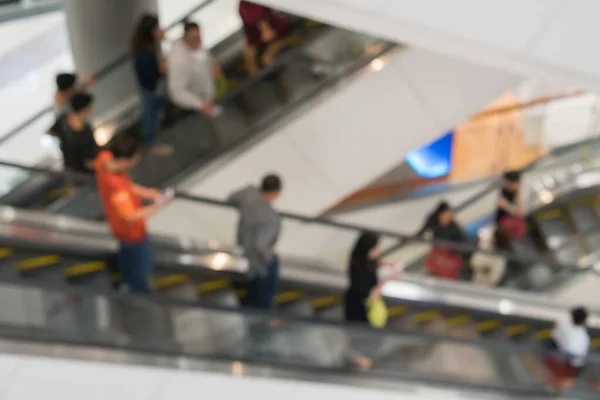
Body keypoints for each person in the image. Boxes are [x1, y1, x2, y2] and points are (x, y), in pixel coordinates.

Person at [95, 134, 171, 292]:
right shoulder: (116, 188)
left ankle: (125, 282)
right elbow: (129, 215)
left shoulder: (104, 158)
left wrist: (148, 193)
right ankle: (137, 294)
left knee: (125, 256)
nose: (137, 160)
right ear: (124, 160)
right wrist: (157, 206)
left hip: (117, 226)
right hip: (133, 233)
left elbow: (127, 185)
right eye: (135, 158)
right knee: (141, 269)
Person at [344, 232, 400, 369]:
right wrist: (388, 279)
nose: (378, 252)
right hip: (360, 307)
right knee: (362, 336)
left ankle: (360, 359)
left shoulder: (360, 260)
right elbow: (372, 295)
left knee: (359, 336)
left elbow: (375, 262)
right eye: (375, 248)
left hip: (354, 302)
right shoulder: (360, 270)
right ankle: (360, 361)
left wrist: (387, 263)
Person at [228, 174, 282, 309]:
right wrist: (269, 256)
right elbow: (260, 245)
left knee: (248, 299)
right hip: (259, 266)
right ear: (276, 193)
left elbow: (230, 198)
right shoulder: (271, 217)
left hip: (243, 253)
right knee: (262, 303)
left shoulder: (248, 195)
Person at [167, 21, 222, 115]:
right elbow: (177, 91)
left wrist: (212, 63)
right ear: (186, 37)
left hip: (210, 97)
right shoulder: (178, 60)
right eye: (195, 38)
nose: (198, 41)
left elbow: (205, 56)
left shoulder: (195, 44)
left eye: (199, 37)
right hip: (196, 107)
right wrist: (200, 104)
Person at [132, 14, 167, 144]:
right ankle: (151, 142)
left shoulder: (143, 47)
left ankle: (153, 140)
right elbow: (157, 71)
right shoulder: (146, 52)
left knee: (152, 114)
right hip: (151, 87)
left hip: (149, 86)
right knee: (151, 116)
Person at [50, 92, 99, 178]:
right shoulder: (85, 130)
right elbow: (89, 160)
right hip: (80, 173)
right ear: (86, 108)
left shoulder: (64, 120)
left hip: (74, 171)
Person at [239, 1, 291, 75]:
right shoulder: (243, 7)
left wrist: (266, 29)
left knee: (265, 57)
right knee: (249, 54)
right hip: (257, 34)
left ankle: (270, 62)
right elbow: (251, 21)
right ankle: (256, 80)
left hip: (276, 31)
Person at [544, 307, 590, 389]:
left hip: (554, 348)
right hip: (567, 362)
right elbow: (578, 360)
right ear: (583, 321)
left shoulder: (563, 321)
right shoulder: (582, 339)